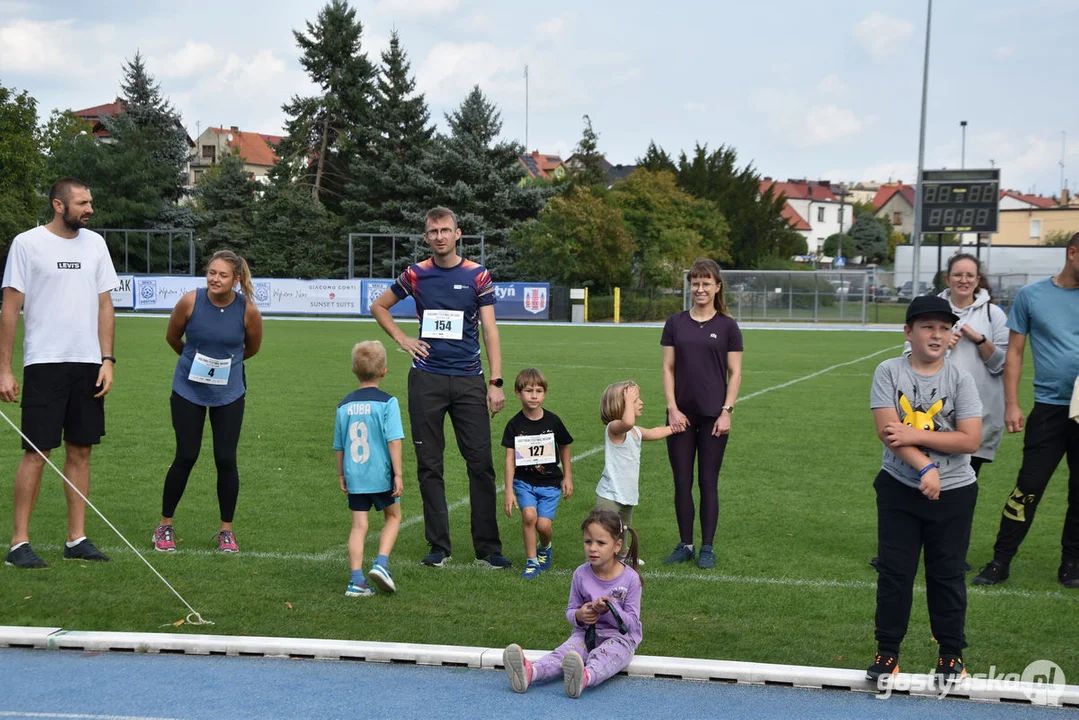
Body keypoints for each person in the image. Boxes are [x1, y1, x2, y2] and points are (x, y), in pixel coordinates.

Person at [371, 207, 510, 569]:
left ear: (458, 233)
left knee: (480, 464)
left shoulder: (477, 275)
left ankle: (488, 549)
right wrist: (402, 339)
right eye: (433, 231)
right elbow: (379, 306)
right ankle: (438, 547)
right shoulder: (415, 275)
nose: (440, 236)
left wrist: (495, 381)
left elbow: (490, 330)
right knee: (429, 465)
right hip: (426, 379)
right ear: (426, 236)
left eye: (445, 230)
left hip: (468, 380)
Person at [1, 177, 119, 569]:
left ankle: (76, 538)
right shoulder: (27, 243)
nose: (89, 208)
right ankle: (19, 543)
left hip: (87, 365)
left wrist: (107, 359)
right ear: (58, 205)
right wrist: (4, 368)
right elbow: (10, 309)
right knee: (37, 452)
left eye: (90, 201)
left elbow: (105, 306)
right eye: (82, 202)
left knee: (81, 451)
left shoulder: (96, 244)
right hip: (44, 363)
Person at [866, 296, 983, 686]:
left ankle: (951, 655)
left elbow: (970, 440)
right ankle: (887, 651)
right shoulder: (888, 371)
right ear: (908, 332)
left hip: (955, 494)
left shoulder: (960, 378)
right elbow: (887, 433)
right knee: (894, 573)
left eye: (944, 328)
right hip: (899, 489)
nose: (936, 334)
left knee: (947, 574)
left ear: (951, 336)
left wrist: (914, 434)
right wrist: (927, 465)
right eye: (927, 327)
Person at [870, 253, 1009, 570]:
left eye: (970, 274)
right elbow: (911, 362)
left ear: (978, 279)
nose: (964, 279)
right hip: (917, 418)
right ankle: (898, 551)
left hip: (969, 416)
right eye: (958, 273)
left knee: (955, 485)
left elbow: (1001, 362)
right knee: (897, 559)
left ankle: (949, 554)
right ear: (948, 278)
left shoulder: (992, 314)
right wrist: (944, 342)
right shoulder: (895, 365)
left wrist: (977, 337)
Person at [971, 234, 1079, 588]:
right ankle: (1000, 561)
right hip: (1049, 409)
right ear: (1073, 253)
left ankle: (1072, 563)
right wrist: (1013, 403)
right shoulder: (1032, 296)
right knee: (1027, 487)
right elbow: (1014, 353)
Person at [151, 250, 262, 554]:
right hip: (188, 390)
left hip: (229, 393)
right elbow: (173, 338)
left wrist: (225, 364)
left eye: (222, 274)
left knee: (225, 459)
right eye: (211, 272)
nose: (215, 279)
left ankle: (226, 532)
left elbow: (251, 348)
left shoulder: (247, 310)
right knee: (186, 455)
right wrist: (195, 361)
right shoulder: (191, 301)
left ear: (235, 279)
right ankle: (164, 526)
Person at [502, 509, 642, 699]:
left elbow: (632, 624)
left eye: (601, 543)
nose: (593, 548)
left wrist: (610, 609)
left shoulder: (630, 579)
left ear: (617, 546)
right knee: (564, 653)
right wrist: (580, 615)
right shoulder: (580, 574)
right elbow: (570, 611)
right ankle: (530, 673)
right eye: (588, 542)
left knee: (606, 656)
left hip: (619, 640)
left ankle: (585, 676)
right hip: (586, 634)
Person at [660, 257, 743, 570]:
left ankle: (707, 546)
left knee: (708, 483)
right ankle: (686, 544)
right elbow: (668, 368)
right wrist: (672, 407)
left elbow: (734, 373)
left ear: (717, 286)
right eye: (695, 282)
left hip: (713, 417)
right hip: (680, 416)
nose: (700, 288)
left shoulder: (728, 326)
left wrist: (727, 411)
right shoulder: (675, 323)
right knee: (682, 482)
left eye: (707, 283)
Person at [333, 341, 404, 597]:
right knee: (393, 517)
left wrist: (341, 474)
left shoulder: (344, 405)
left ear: (353, 369)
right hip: (380, 473)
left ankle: (356, 581)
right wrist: (398, 474)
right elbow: (393, 440)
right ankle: (381, 564)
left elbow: (339, 445)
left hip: (355, 474)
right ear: (384, 370)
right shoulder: (388, 403)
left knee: (358, 526)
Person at [596, 381, 680, 563]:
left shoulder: (635, 431)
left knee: (624, 527)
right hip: (610, 493)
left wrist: (675, 427)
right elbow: (627, 422)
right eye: (636, 400)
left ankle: (623, 555)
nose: (641, 402)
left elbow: (655, 432)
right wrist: (628, 399)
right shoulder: (614, 428)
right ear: (621, 404)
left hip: (627, 491)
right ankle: (600, 558)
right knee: (606, 528)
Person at [502, 368, 574, 580]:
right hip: (524, 482)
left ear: (545, 393)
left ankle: (546, 546)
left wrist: (567, 476)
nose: (534, 396)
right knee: (529, 516)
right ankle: (532, 561)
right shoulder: (514, 425)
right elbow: (509, 459)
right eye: (528, 391)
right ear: (518, 393)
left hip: (550, 483)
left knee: (543, 525)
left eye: (539, 391)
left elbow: (565, 446)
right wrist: (509, 491)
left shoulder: (553, 421)